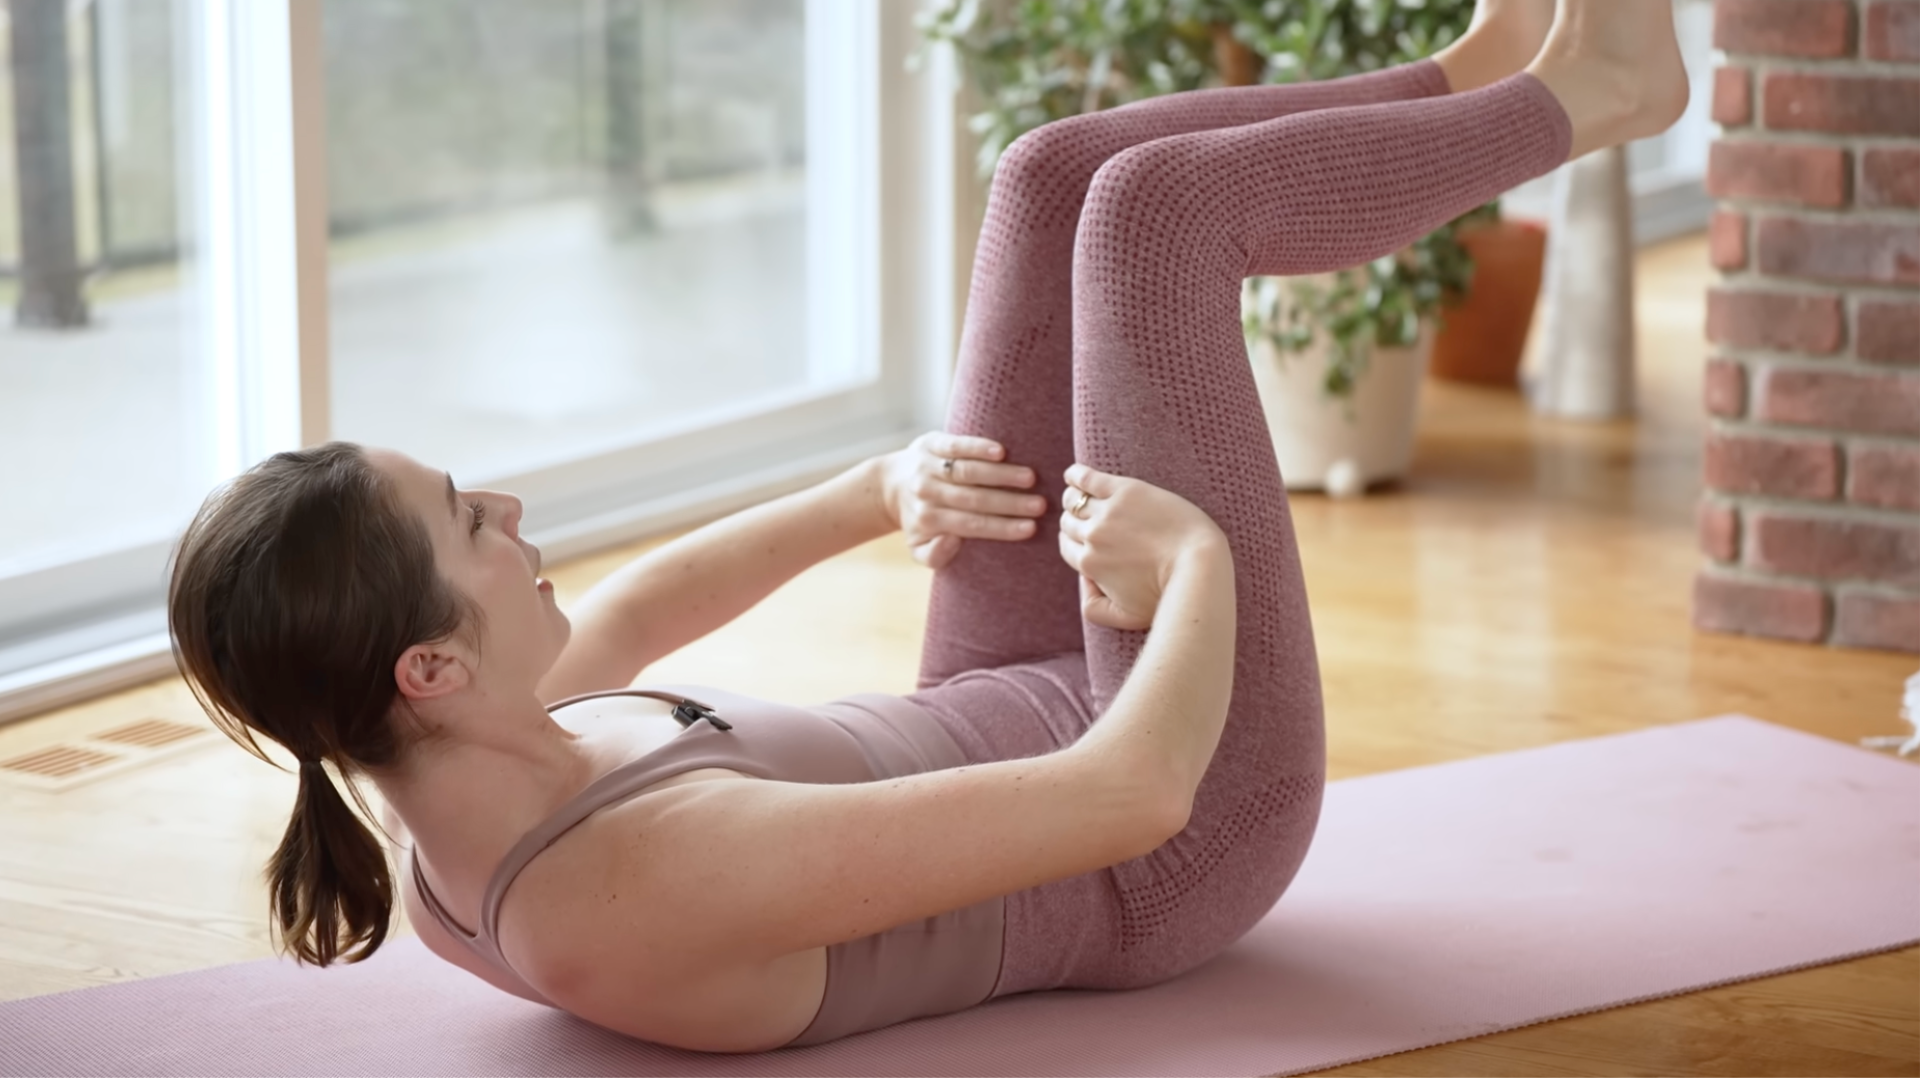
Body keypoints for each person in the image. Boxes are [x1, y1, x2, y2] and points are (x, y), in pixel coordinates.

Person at [166, 0, 1686, 1053]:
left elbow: (642, 605)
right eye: (464, 519)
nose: (507, 507)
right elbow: (1127, 798)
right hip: (1181, 818)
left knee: (1050, 179)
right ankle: (1596, 99)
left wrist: (871, 493)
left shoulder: (470, 764)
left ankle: (1477, 68)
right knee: (1159, 225)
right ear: (429, 665)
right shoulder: (630, 889)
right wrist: (1201, 568)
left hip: (1003, 694)